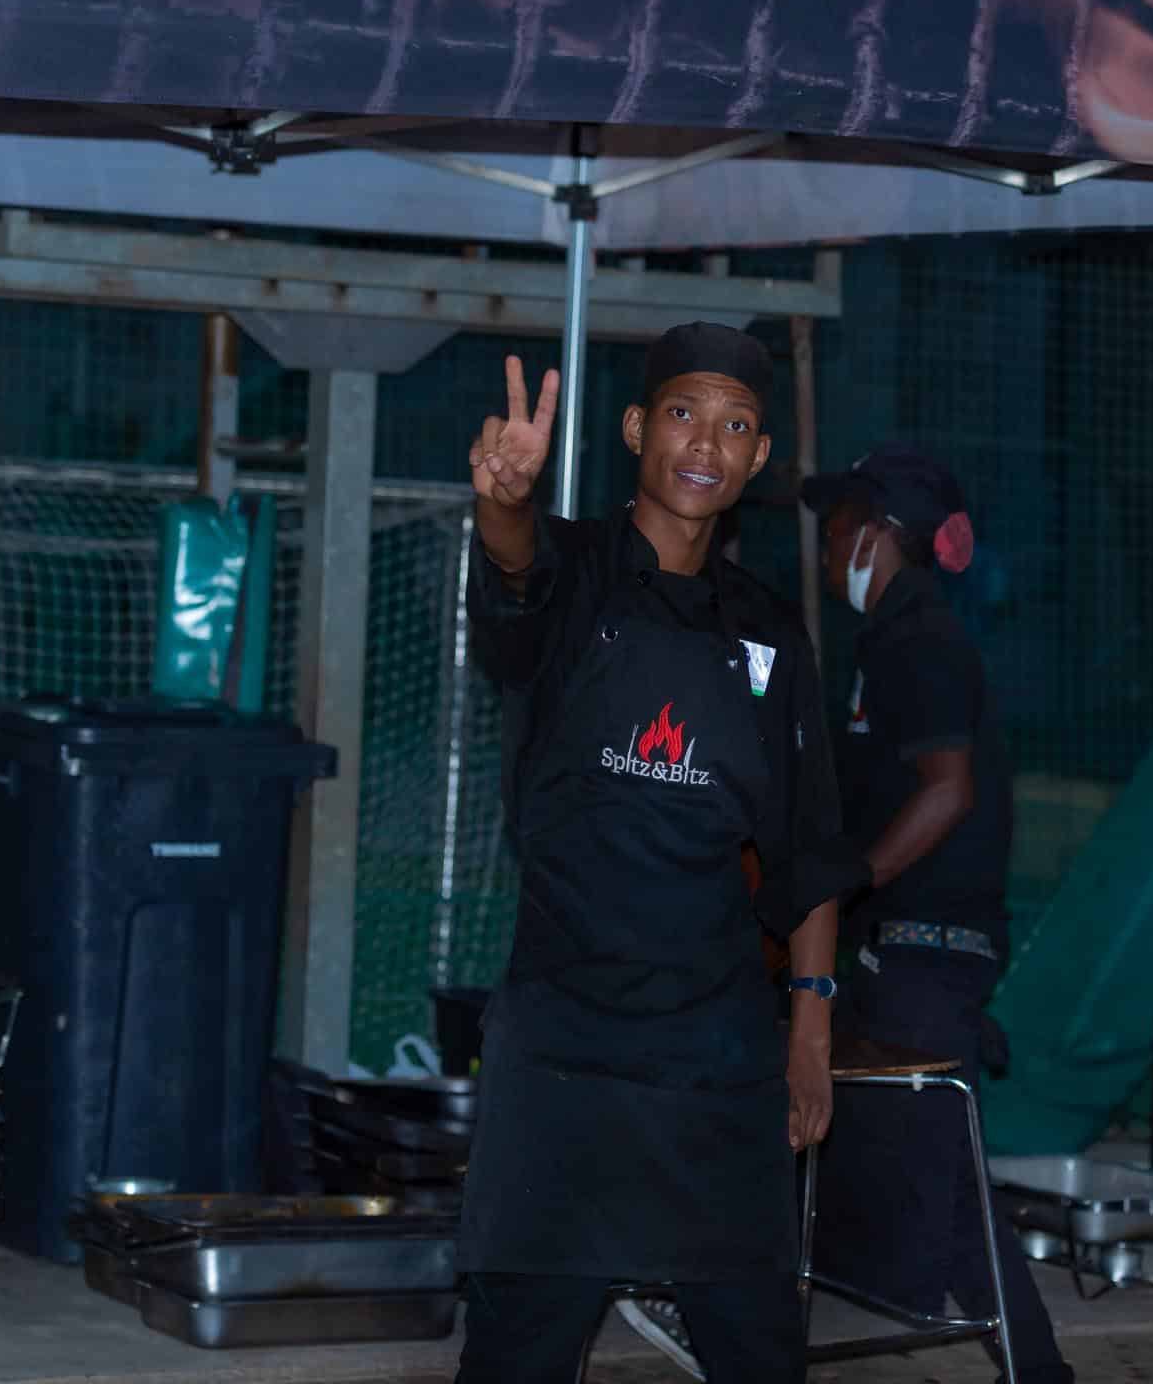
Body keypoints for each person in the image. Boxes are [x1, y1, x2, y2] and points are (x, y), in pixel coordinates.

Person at [456, 323, 867, 1384]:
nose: (704, 443)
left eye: (734, 425)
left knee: (757, 1348)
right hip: (564, 1044)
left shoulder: (771, 632)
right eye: (683, 413)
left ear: (758, 457)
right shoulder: (573, 572)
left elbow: (808, 848)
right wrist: (503, 502)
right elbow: (513, 567)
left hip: (714, 1055)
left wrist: (809, 1029)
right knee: (517, 1353)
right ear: (638, 428)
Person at [801, 445, 1074, 1384]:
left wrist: (848, 884)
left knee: (948, 1193)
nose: (827, 549)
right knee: (915, 1178)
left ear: (879, 534)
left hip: (928, 954)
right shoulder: (891, 640)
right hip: (904, 952)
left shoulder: (918, 641)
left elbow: (948, 790)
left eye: (838, 529)